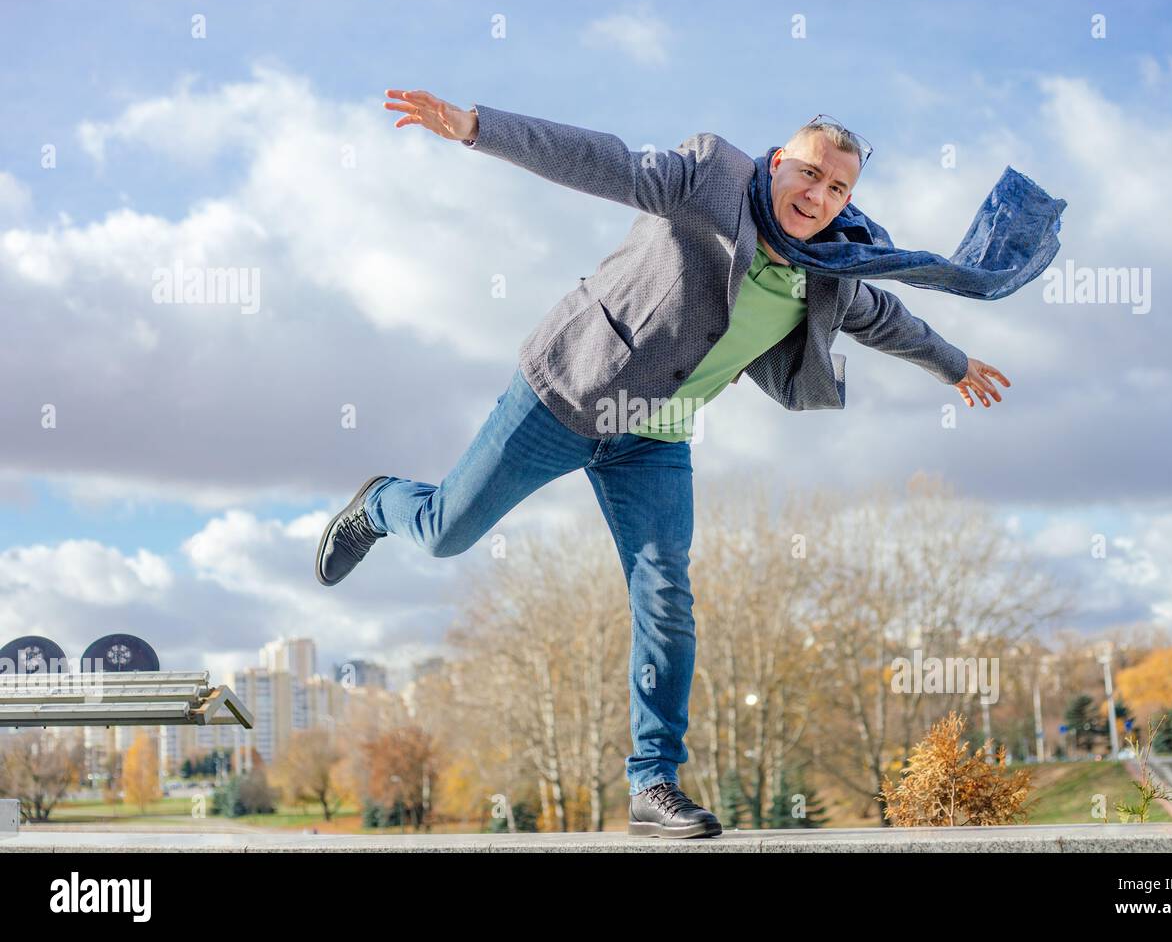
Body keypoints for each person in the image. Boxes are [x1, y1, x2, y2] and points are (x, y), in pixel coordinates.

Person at [315, 90, 1013, 839]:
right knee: (445, 530)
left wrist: (953, 365)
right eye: (808, 173)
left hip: (658, 437)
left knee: (666, 596)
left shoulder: (831, 269)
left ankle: (653, 781)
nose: (818, 195)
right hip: (567, 392)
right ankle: (381, 502)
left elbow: (887, 318)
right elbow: (603, 160)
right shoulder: (708, 179)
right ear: (777, 163)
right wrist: (480, 129)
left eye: (837, 188)